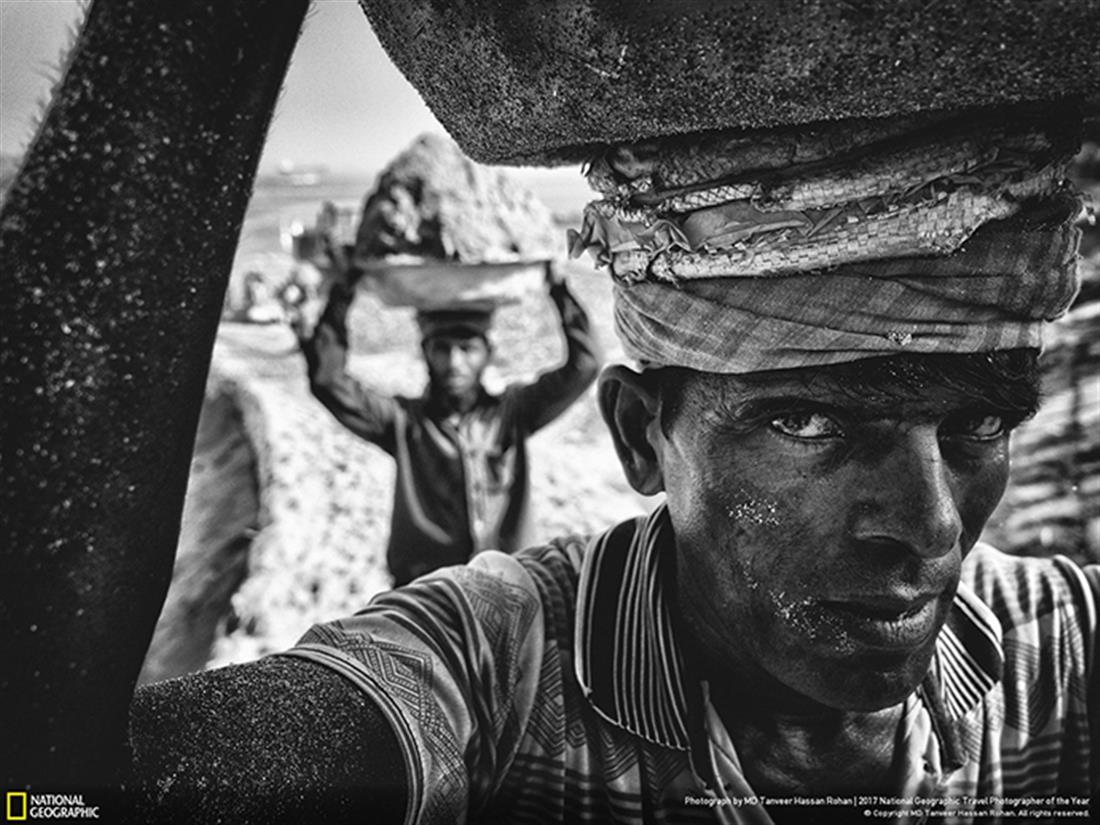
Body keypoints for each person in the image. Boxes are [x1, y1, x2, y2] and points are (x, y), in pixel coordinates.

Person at [122, 103, 1097, 824]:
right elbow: (102, 783)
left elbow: (571, 359)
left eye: (977, 424)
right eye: (805, 422)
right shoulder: (499, 670)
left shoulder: (1061, 645)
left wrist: (553, 285)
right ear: (640, 436)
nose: (930, 527)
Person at [299, 258, 601, 585]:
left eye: (467, 349)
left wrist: (558, 289)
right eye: (442, 349)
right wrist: (343, 293)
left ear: (488, 353)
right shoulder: (403, 422)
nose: (455, 363)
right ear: (425, 353)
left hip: (508, 583)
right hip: (426, 589)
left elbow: (585, 364)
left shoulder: (513, 414)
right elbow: (328, 381)